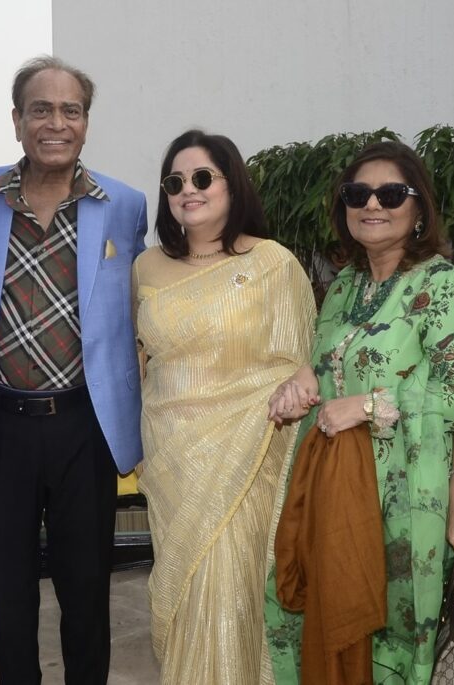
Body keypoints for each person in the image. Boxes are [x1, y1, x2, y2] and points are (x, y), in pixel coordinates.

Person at [0, 56, 147, 685]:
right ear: (17, 120)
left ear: (86, 123)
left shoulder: (126, 206)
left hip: (84, 427)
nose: (55, 122)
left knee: (86, 595)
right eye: (41, 108)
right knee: (8, 597)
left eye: (70, 110)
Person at [265, 141, 454, 684]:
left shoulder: (445, 286)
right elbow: (325, 366)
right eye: (357, 194)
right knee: (322, 611)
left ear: (418, 210)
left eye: (390, 194)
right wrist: (302, 379)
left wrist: (368, 407)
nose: (372, 205)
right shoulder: (344, 286)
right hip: (336, 485)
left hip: (410, 493)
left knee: (391, 632)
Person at [132, 129, 316, 684]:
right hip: (171, 463)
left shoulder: (271, 263)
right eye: (175, 181)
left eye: (203, 178)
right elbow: (141, 362)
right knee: (184, 598)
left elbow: (299, 362)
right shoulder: (145, 267)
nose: (189, 190)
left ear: (232, 186)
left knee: (230, 595)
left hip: (246, 456)